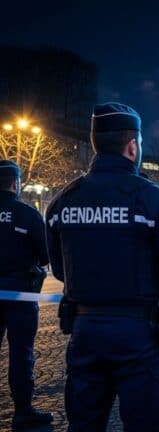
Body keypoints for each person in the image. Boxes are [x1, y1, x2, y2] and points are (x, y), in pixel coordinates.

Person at [45, 102, 159, 431]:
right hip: (139, 332)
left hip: (84, 330)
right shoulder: (153, 199)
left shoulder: (63, 201)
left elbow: (60, 270)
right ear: (132, 147)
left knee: (84, 423)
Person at [0, 160, 53, 428]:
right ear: (15, 183)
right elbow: (45, 255)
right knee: (21, 352)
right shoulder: (26, 214)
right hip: (19, 292)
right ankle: (22, 410)